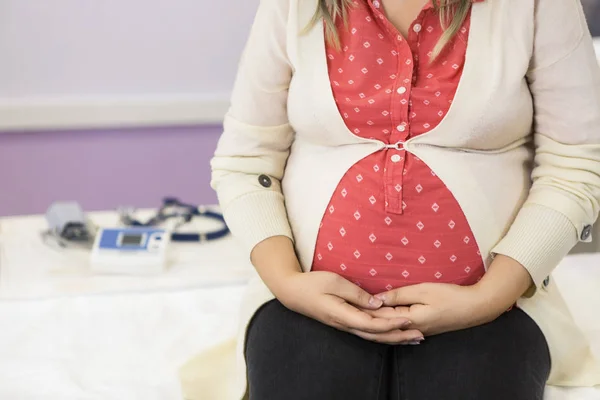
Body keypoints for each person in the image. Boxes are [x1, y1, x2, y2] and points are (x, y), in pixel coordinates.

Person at [210, 0, 600, 398]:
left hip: (493, 308)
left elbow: (574, 166)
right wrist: (288, 283)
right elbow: (245, 161)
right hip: (305, 303)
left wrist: (488, 297)